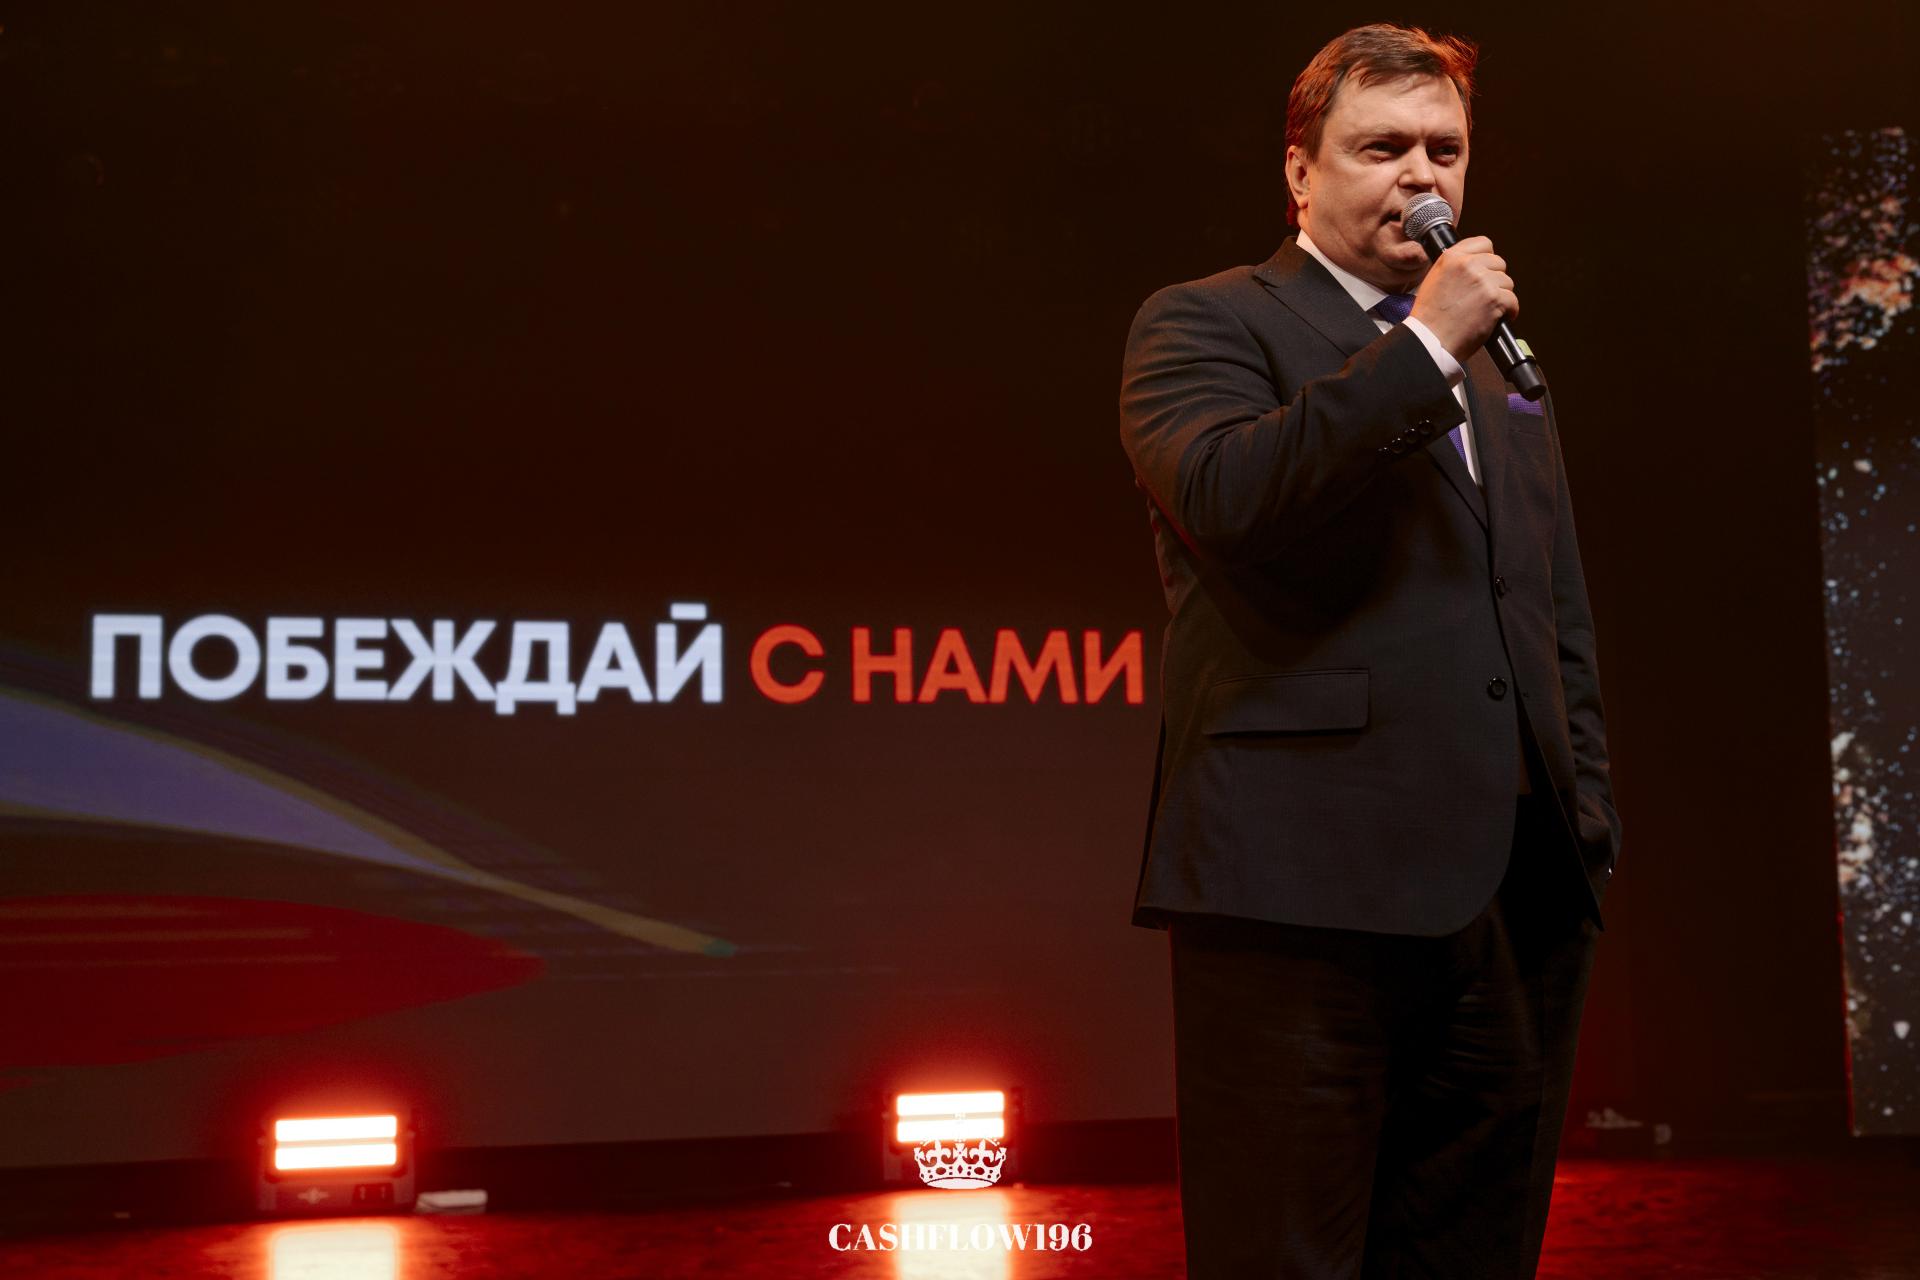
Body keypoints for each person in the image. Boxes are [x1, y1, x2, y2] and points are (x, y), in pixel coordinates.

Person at [1116, 22, 1623, 1280]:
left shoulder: (1503, 369)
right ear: (1300, 170)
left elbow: (1548, 607)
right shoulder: (1206, 321)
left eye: (1445, 149)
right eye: (1382, 147)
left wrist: (1585, 815)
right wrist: (1422, 347)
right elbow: (1231, 497)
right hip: (1301, 894)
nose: (1422, 176)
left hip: (1508, 894)